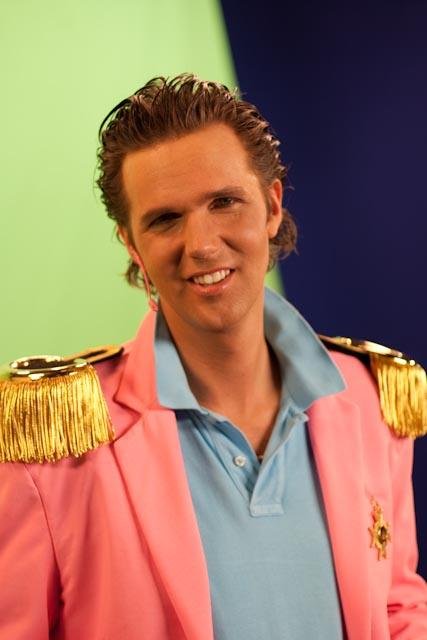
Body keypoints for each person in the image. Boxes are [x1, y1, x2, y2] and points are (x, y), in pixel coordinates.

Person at [0, 74, 426, 639]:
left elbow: (398, 607)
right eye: (165, 219)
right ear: (132, 244)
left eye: (224, 202)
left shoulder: (369, 398)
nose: (200, 244)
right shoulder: (53, 438)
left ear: (272, 205)